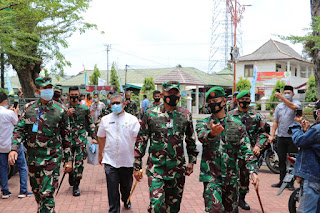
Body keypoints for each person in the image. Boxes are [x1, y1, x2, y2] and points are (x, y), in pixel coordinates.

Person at [8, 77, 72, 213]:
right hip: (33, 159)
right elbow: (19, 129)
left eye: (50, 88)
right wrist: (13, 149)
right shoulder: (29, 109)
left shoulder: (60, 110)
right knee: (38, 195)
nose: (48, 91)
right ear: (37, 91)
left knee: (47, 194)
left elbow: (66, 137)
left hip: (52, 159)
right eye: (45, 88)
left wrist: (68, 160)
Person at [134, 81, 199, 212]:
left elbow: (191, 139)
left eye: (176, 93)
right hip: (156, 169)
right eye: (170, 93)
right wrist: (136, 165)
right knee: (157, 206)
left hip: (177, 170)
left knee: (173, 209)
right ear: (163, 94)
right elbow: (141, 140)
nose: (173, 96)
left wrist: (191, 161)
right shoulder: (151, 114)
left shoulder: (185, 115)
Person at [196, 87, 259, 213]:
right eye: (209, 102)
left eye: (215, 100)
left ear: (224, 101)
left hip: (231, 179)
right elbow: (202, 136)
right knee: (216, 210)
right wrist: (212, 133)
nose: (212, 103)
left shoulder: (237, 125)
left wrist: (253, 171)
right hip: (211, 178)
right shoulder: (203, 123)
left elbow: (245, 149)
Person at [97, 93, 140, 212]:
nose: (115, 105)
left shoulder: (132, 120)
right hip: (110, 160)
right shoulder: (105, 120)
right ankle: (113, 209)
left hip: (127, 160)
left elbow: (138, 141)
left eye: (118, 103)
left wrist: (137, 160)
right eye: (113, 103)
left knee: (126, 187)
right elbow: (101, 137)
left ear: (124, 104)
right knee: (112, 188)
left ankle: (126, 199)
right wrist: (100, 153)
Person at [228, 90, 269, 210]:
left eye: (247, 100)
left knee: (245, 179)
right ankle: (232, 200)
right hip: (233, 153)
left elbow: (262, 134)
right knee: (232, 177)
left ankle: (241, 199)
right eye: (242, 100)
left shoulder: (256, 116)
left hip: (249, 153)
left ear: (250, 101)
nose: (245, 102)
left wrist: (257, 146)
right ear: (237, 101)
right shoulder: (230, 116)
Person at [289, 100, 320, 213]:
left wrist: (296, 125)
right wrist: (306, 131)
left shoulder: (317, 129)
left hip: (312, 176)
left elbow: (299, 141)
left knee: (306, 211)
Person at [0, 92, 33, 199]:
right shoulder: (9, 114)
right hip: (13, 145)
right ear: (5, 101)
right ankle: (23, 191)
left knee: (3, 168)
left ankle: (5, 191)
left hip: (1, 146)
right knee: (22, 167)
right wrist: (16, 113)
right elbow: (18, 124)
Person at [67, 86, 97, 196]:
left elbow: (90, 123)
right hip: (67, 141)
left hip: (80, 139)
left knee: (79, 164)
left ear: (79, 95)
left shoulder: (84, 109)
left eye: (76, 95)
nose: (74, 97)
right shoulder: (63, 109)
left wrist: (93, 137)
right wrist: (66, 115)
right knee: (68, 163)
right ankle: (71, 174)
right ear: (68, 95)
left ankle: (76, 185)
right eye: (72, 95)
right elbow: (57, 123)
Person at [270, 85, 301, 190]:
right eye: (285, 93)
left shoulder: (297, 103)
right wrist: (272, 135)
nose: (287, 94)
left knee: (292, 161)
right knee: (281, 160)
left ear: (293, 94)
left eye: (289, 93)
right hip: (281, 136)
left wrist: (282, 98)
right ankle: (281, 180)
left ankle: (291, 183)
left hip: (292, 137)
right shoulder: (279, 107)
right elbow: (275, 122)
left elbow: (293, 107)